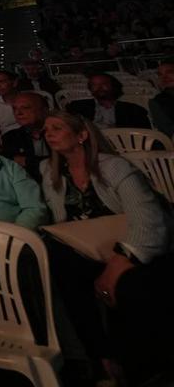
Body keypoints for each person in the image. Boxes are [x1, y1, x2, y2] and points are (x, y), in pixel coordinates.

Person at [38, 110, 174, 381]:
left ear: (81, 135)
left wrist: (115, 266)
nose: (48, 133)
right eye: (46, 129)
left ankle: (143, 366)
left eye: (57, 127)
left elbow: (148, 221)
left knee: (130, 285)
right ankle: (99, 357)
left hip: (136, 245)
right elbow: (63, 222)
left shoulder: (113, 167)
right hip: (90, 249)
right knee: (58, 266)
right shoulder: (50, 171)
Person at [66, 73, 151, 130]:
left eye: (104, 84)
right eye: (94, 85)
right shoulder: (77, 107)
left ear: (113, 86)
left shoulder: (134, 110)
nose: (99, 88)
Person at [0, 92, 50, 179]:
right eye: (14, 108)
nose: (18, 113)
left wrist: (26, 161)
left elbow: (64, 163)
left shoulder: (60, 133)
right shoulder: (10, 138)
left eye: (25, 108)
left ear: (44, 111)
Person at [149, 59, 174, 138]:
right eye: (160, 74)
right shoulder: (157, 102)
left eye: (169, 72)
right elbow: (168, 131)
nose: (164, 77)